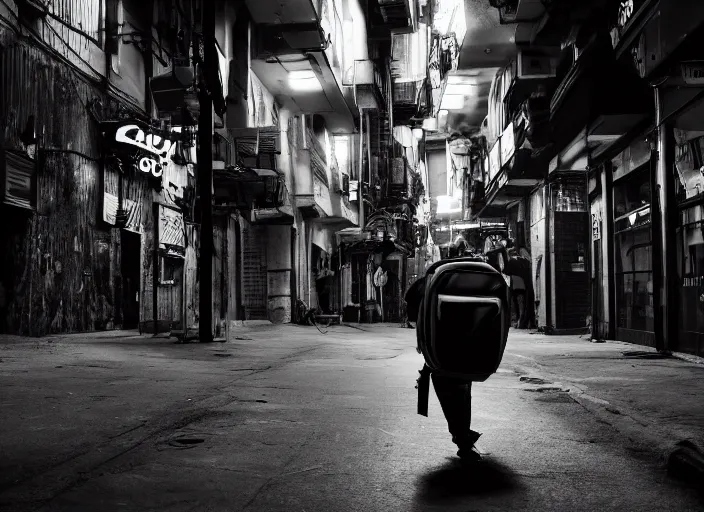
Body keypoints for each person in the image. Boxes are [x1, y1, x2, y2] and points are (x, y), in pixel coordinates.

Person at [404, 275, 482, 462]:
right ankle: (462, 436)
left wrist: (423, 346)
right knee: (462, 391)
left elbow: (418, 322)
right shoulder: (458, 284)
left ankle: (461, 436)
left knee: (450, 394)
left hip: (439, 353)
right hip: (463, 349)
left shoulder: (426, 286)